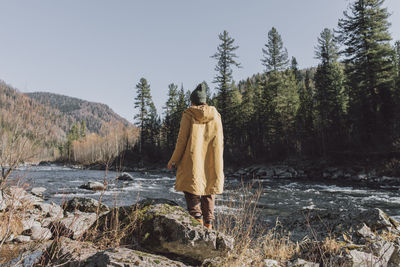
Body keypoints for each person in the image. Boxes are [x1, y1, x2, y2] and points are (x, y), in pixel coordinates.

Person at [167, 83, 224, 229]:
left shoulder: (189, 114)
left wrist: (173, 160)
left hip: (192, 159)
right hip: (212, 158)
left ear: (193, 101)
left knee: (190, 187)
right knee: (209, 189)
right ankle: (209, 224)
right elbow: (220, 140)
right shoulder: (216, 116)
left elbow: (181, 141)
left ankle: (196, 219)